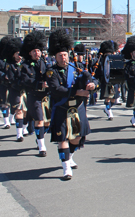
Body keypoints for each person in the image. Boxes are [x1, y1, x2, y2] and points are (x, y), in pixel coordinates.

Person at [46, 28, 97, 180]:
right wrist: (76, 92)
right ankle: (66, 167)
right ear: (55, 56)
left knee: (76, 138)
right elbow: (56, 89)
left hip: (77, 108)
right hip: (62, 107)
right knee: (63, 139)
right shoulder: (51, 72)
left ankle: (70, 156)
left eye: (65, 55)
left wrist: (92, 86)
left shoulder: (76, 69)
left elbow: (91, 80)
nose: (63, 58)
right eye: (60, 55)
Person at [19, 31, 49, 156]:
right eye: (34, 51)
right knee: (39, 120)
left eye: (38, 50)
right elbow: (24, 80)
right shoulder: (25, 65)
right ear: (29, 53)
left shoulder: (45, 63)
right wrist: (38, 84)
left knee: (47, 122)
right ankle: (42, 146)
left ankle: (39, 137)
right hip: (33, 95)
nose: (37, 53)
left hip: (46, 96)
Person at [95, 40, 119, 120]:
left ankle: (107, 108)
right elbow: (97, 72)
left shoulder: (114, 60)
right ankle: (109, 111)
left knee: (113, 100)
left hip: (113, 81)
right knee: (107, 98)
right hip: (105, 81)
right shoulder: (100, 61)